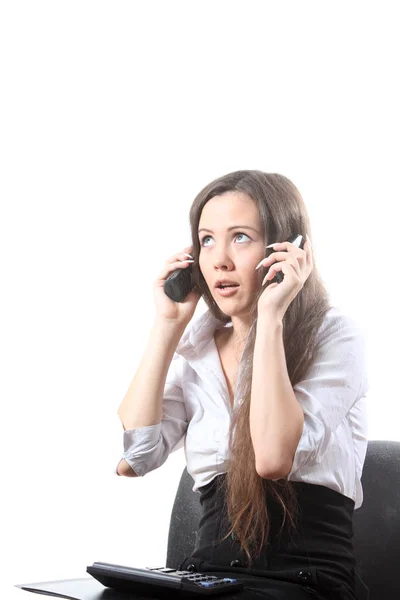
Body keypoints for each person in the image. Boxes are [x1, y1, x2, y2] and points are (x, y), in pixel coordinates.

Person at [116, 170, 369, 600]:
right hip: (209, 580)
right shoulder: (197, 347)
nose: (219, 261)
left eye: (241, 237)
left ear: (286, 249)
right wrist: (168, 325)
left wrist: (270, 316)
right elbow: (136, 455)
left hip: (304, 581)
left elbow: (271, 458)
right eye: (207, 240)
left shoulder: (333, 335)